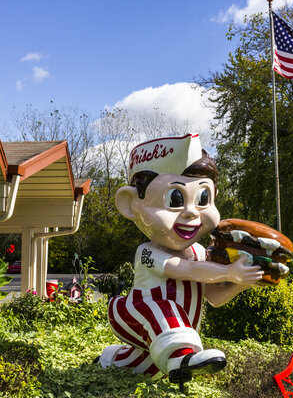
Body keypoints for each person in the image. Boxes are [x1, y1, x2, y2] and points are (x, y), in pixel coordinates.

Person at [96, 134, 263, 384]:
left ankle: (111, 358)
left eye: (203, 199)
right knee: (165, 309)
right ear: (131, 204)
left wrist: (241, 281)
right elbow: (185, 270)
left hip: (168, 343)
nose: (191, 212)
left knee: (143, 366)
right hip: (133, 314)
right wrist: (229, 273)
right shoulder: (147, 252)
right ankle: (181, 357)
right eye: (175, 199)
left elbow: (214, 297)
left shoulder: (200, 253)